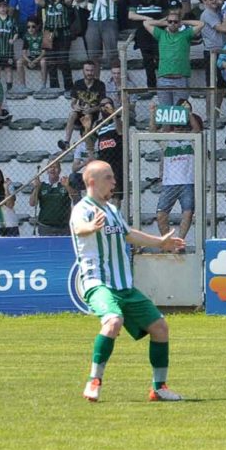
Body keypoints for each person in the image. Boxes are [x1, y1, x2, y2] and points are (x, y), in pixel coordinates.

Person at [73, 160, 185, 403]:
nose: (114, 182)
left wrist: (160, 242)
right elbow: (79, 228)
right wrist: (90, 227)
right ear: (92, 182)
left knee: (160, 327)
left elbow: (129, 234)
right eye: (109, 178)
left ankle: (159, 388)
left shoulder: (112, 210)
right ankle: (94, 380)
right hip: (97, 282)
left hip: (124, 286)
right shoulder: (82, 209)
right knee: (113, 321)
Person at [30, 162, 77, 236]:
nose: (53, 169)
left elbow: (76, 198)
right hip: (45, 226)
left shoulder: (65, 183)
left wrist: (67, 186)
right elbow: (32, 203)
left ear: (60, 170)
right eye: (50, 167)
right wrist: (36, 188)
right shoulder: (41, 185)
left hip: (64, 227)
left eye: (55, 167)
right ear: (46, 170)